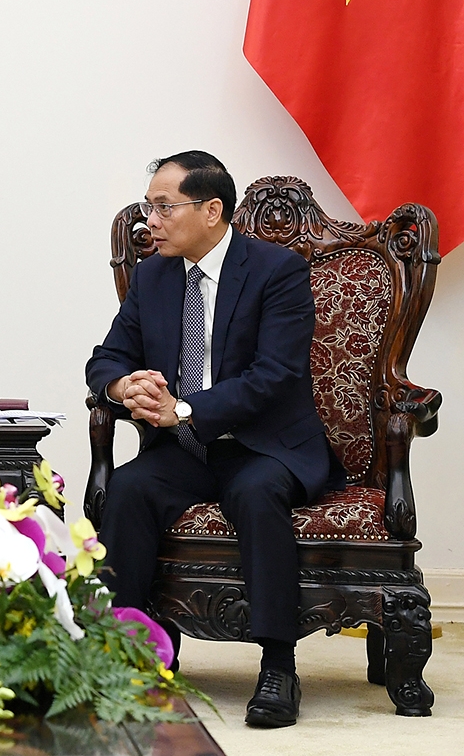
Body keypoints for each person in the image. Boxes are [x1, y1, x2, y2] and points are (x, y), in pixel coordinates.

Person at [85, 150, 344, 728]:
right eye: (149, 206)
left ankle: (278, 663)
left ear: (212, 210)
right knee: (128, 490)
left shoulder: (276, 270)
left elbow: (275, 376)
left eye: (162, 206)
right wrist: (126, 384)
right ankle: (127, 654)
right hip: (184, 449)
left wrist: (182, 408)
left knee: (256, 495)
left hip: (263, 444)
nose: (149, 219)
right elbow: (106, 357)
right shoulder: (153, 275)